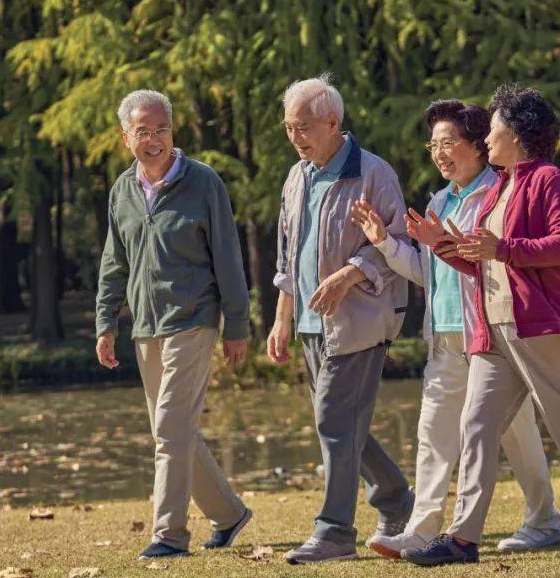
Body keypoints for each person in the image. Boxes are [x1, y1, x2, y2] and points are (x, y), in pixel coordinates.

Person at [402, 85, 560, 566]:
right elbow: (486, 263)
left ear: (517, 134)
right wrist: (444, 246)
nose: (486, 140)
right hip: (493, 332)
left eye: (493, 131)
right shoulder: (503, 185)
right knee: (476, 425)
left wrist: (503, 249)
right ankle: (463, 537)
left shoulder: (549, 180)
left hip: (539, 327)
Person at [349, 100, 560, 558]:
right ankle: (423, 529)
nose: (440, 153)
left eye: (449, 143)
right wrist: (384, 243)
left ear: (478, 145)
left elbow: (497, 262)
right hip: (443, 336)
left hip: (490, 334)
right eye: (434, 145)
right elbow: (430, 272)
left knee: (516, 432)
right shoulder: (438, 201)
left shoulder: (498, 194)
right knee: (432, 432)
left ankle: (543, 519)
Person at [95, 89, 253, 559]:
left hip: (194, 319)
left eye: (161, 129)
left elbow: (227, 255)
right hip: (145, 327)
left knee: (169, 426)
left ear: (173, 132)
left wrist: (238, 325)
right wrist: (105, 323)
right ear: (127, 138)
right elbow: (113, 263)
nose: (154, 139)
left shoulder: (204, 183)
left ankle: (169, 534)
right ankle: (228, 514)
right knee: (176, 429)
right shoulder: (121, 192)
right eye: (143, 131)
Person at [267, 74, 414, 564]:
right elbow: (289, 256)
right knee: (340, 423)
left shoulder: (374, 173)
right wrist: (281, 318)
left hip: (360, 320)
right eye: (289, 128)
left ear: (333, 122)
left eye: (303, 127)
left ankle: (334, 533)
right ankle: (396, 499)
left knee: (335, 421)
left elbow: (398, 244)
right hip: (310, 325)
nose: (295, 137)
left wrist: (350, 274)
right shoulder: (296, 176)